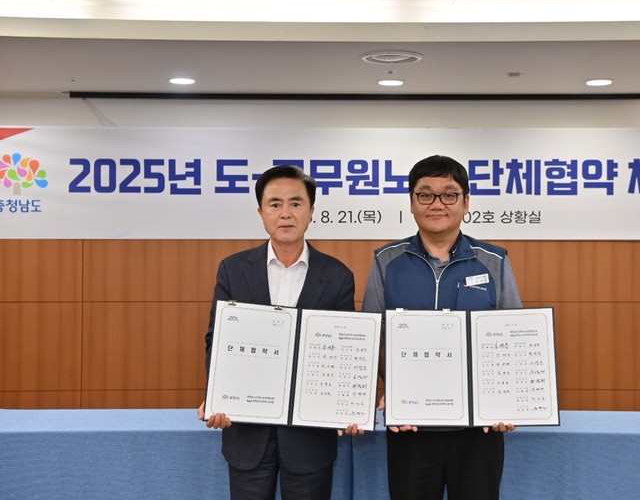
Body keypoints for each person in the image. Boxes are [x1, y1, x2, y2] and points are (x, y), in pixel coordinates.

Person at [362, 155, 523, 500]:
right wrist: (395, 388)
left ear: (466, 202)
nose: (437, 204)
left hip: (478, 427)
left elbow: (514, 336)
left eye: (449, 194)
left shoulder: (493, 261)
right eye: (425, 194)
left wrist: (507, 400)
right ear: (411, 203)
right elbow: (372, 339)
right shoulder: (386, 260)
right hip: (410, 425)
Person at [198, 165, 358, 500]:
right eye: (275, 204)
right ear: (261, 212)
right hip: (247, 434)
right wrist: (217, 395)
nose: (285, 213)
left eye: (296, 203)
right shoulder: (233, 269)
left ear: (311, 211)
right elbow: (218, 340)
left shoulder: (338, 276)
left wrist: (349, 406)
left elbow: (346, 350)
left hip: (309, 439)